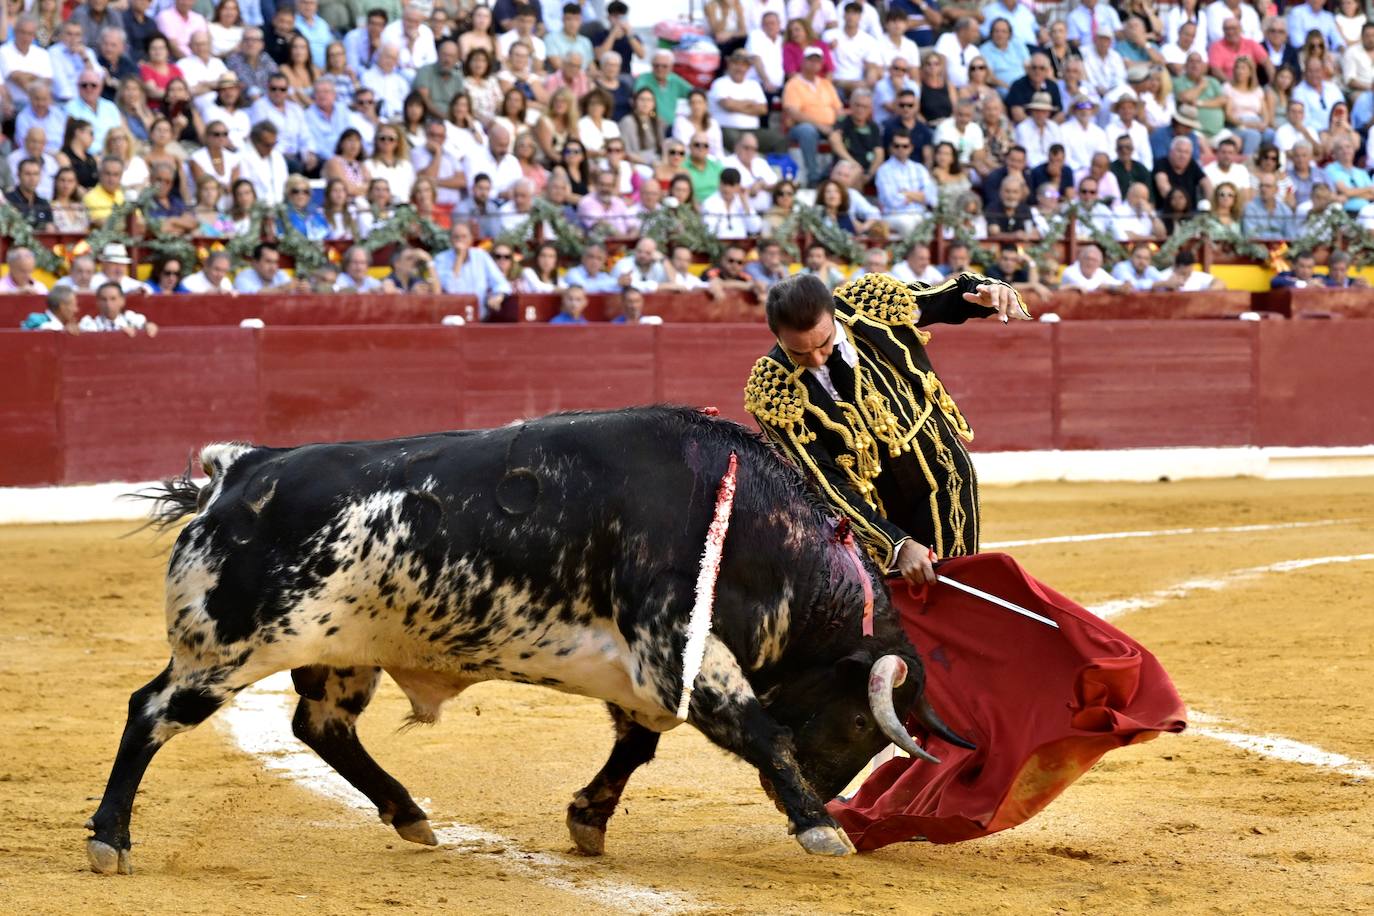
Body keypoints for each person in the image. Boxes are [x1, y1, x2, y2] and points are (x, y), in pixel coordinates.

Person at [744, 269, 1028, 583]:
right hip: (868, 513)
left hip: (941, 472)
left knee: (954, 590)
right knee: (892, 615)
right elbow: (823, 482)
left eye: (824, 343)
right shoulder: (774, 389)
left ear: (832, 313)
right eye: (800, 352)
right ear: (778, 336)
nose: (816, 358)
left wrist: (988, 289)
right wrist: (895, 543)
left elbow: (945, 299)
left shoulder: (870, 306)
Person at [782, 46, 843, 187]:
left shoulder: (826, 84)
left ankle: (832, 174)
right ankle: (813, 176)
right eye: (810, 60)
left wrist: (841, 123)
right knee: (807, 130)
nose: (814, 64)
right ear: (803, 62)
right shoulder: (793, 84)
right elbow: (793, 112)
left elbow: (838, 108)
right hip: (800, 128)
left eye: (817, 61)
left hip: (829, 126)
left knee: (845, 129)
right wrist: (819, 125)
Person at [433, 222, 509, 316]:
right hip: (452, 317)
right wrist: (459, 258)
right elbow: (449, 288)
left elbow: (501, 282)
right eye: (456, 237)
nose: (460, 240)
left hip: (480, 317)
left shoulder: (481, 255)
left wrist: (498, 297)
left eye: (464, 236)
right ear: (450, 240)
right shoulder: (441, 258)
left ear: (471, 239)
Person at [79, 282, 159, 336]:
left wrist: (149, 326)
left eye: (113, 299)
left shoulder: (131, 318)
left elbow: (149, 327)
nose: (108, 303)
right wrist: (119, 334)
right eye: (104, 299)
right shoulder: (89, 323)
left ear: (122, 301)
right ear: (97, 302)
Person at [235, 242, 304, 292]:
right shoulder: (243, 277)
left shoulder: (280, 274)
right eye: (268, 261)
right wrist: (282, 289)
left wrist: (301, 289)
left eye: (275, 262)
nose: (273, 268)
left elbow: (292, 291)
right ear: (254, 263)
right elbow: (255, 296)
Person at [1059, 244, 1126, 291]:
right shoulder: (1070, 271)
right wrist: (1105, 287)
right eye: (1087, 258)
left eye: (1094, 260)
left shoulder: (1099, 271)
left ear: (1100, 263)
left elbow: (1116, 283)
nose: (1090, 263)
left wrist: (1125, 285)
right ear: (1080, 259)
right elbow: (1087, 288)